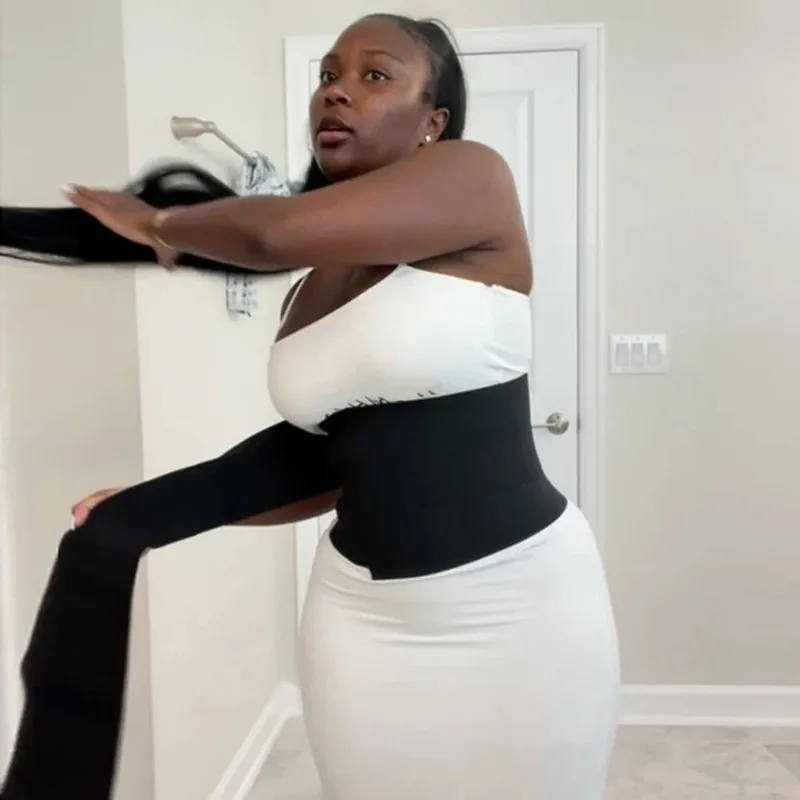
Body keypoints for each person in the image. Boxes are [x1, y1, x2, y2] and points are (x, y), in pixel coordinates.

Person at [62, 13, 619, 799]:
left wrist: (157, 223)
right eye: (328, 75)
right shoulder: (309, 288)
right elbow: (323, 461)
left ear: (434, 122)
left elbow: (276, 231)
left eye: (374, 75)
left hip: (517, 606)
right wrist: (155, 505)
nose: (336, 92)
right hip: (355, 614)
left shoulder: (476, 179)